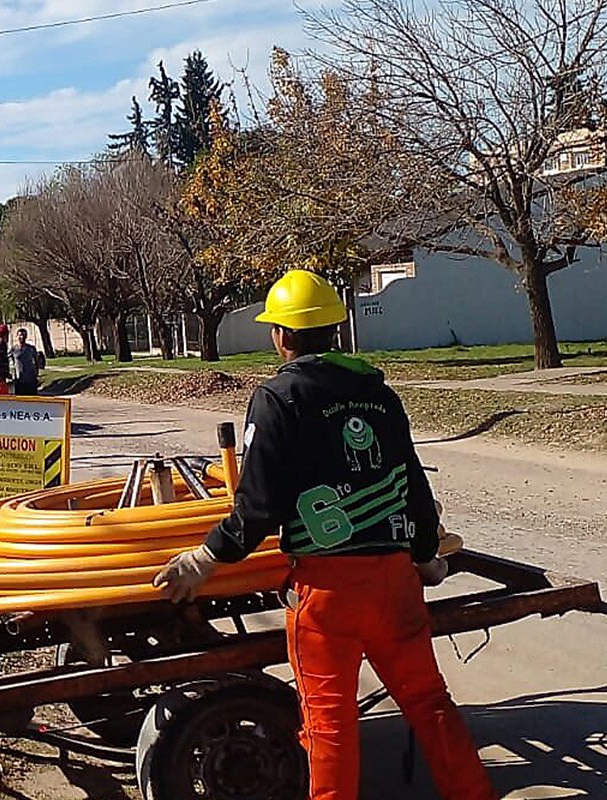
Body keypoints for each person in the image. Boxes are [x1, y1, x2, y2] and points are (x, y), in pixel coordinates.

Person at [151, 270, 494, 800]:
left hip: (328, 597)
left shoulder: (277, 399)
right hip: (395, 582)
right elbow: (413, 485)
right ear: (335, 328)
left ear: (281, 336)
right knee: (431, 704)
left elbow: (257, 508)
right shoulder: (379, 395)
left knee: (330, 728)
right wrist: (426, 557)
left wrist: (203, 561)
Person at [9, 328, 46, 396]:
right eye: (20, 335)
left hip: (30, 379)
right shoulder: (13, 349)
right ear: (17, 336)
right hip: (19, 379)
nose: (22, 337)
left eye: (24, 335)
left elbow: (36, 361)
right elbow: (8, 360)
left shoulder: (31, 348)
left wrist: (36, 373)